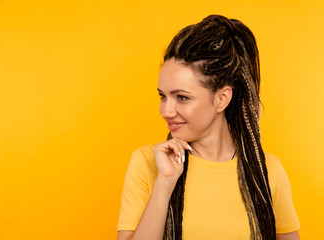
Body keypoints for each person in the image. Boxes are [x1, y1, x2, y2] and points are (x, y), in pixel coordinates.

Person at [117, 15, 300, 240]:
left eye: (182, 97)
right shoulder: (147, 163)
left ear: (222, 99)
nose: (166, 111)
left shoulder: (267, 171)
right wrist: (164, 183)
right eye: (163, 96)